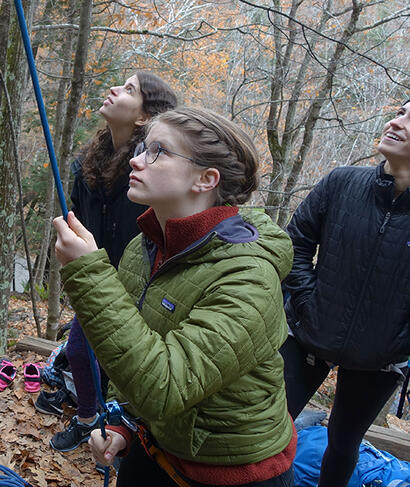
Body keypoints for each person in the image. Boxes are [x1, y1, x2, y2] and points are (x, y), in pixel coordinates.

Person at [53, 107, 295, 485]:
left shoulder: (249, 276)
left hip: (229, 474)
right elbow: (137, 343)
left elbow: (163, 386)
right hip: (156, 446)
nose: (135, 159)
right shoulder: (145, 245)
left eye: (158, 151)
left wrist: (87, 273)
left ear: (205, 179)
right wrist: (123, 424)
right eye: (142, 147)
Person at [36, 72, 177, 453]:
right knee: (81, 351)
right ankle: (89, 421)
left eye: (130, 90)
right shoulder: (87, 165)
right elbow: (79, 217)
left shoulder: (150, 172)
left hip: (140, 281)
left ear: (145, 116)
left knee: (123, 363)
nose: (115, 89)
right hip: (99, 276)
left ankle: (120, 427)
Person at [280, 97, 410, 487]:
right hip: (309, 335)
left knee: (343, 442)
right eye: (401, 111)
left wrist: (401, 340)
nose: (397, 121)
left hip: (380, 359)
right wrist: (306, 302)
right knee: (270, 427)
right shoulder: (342, 182)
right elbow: (295, 242)